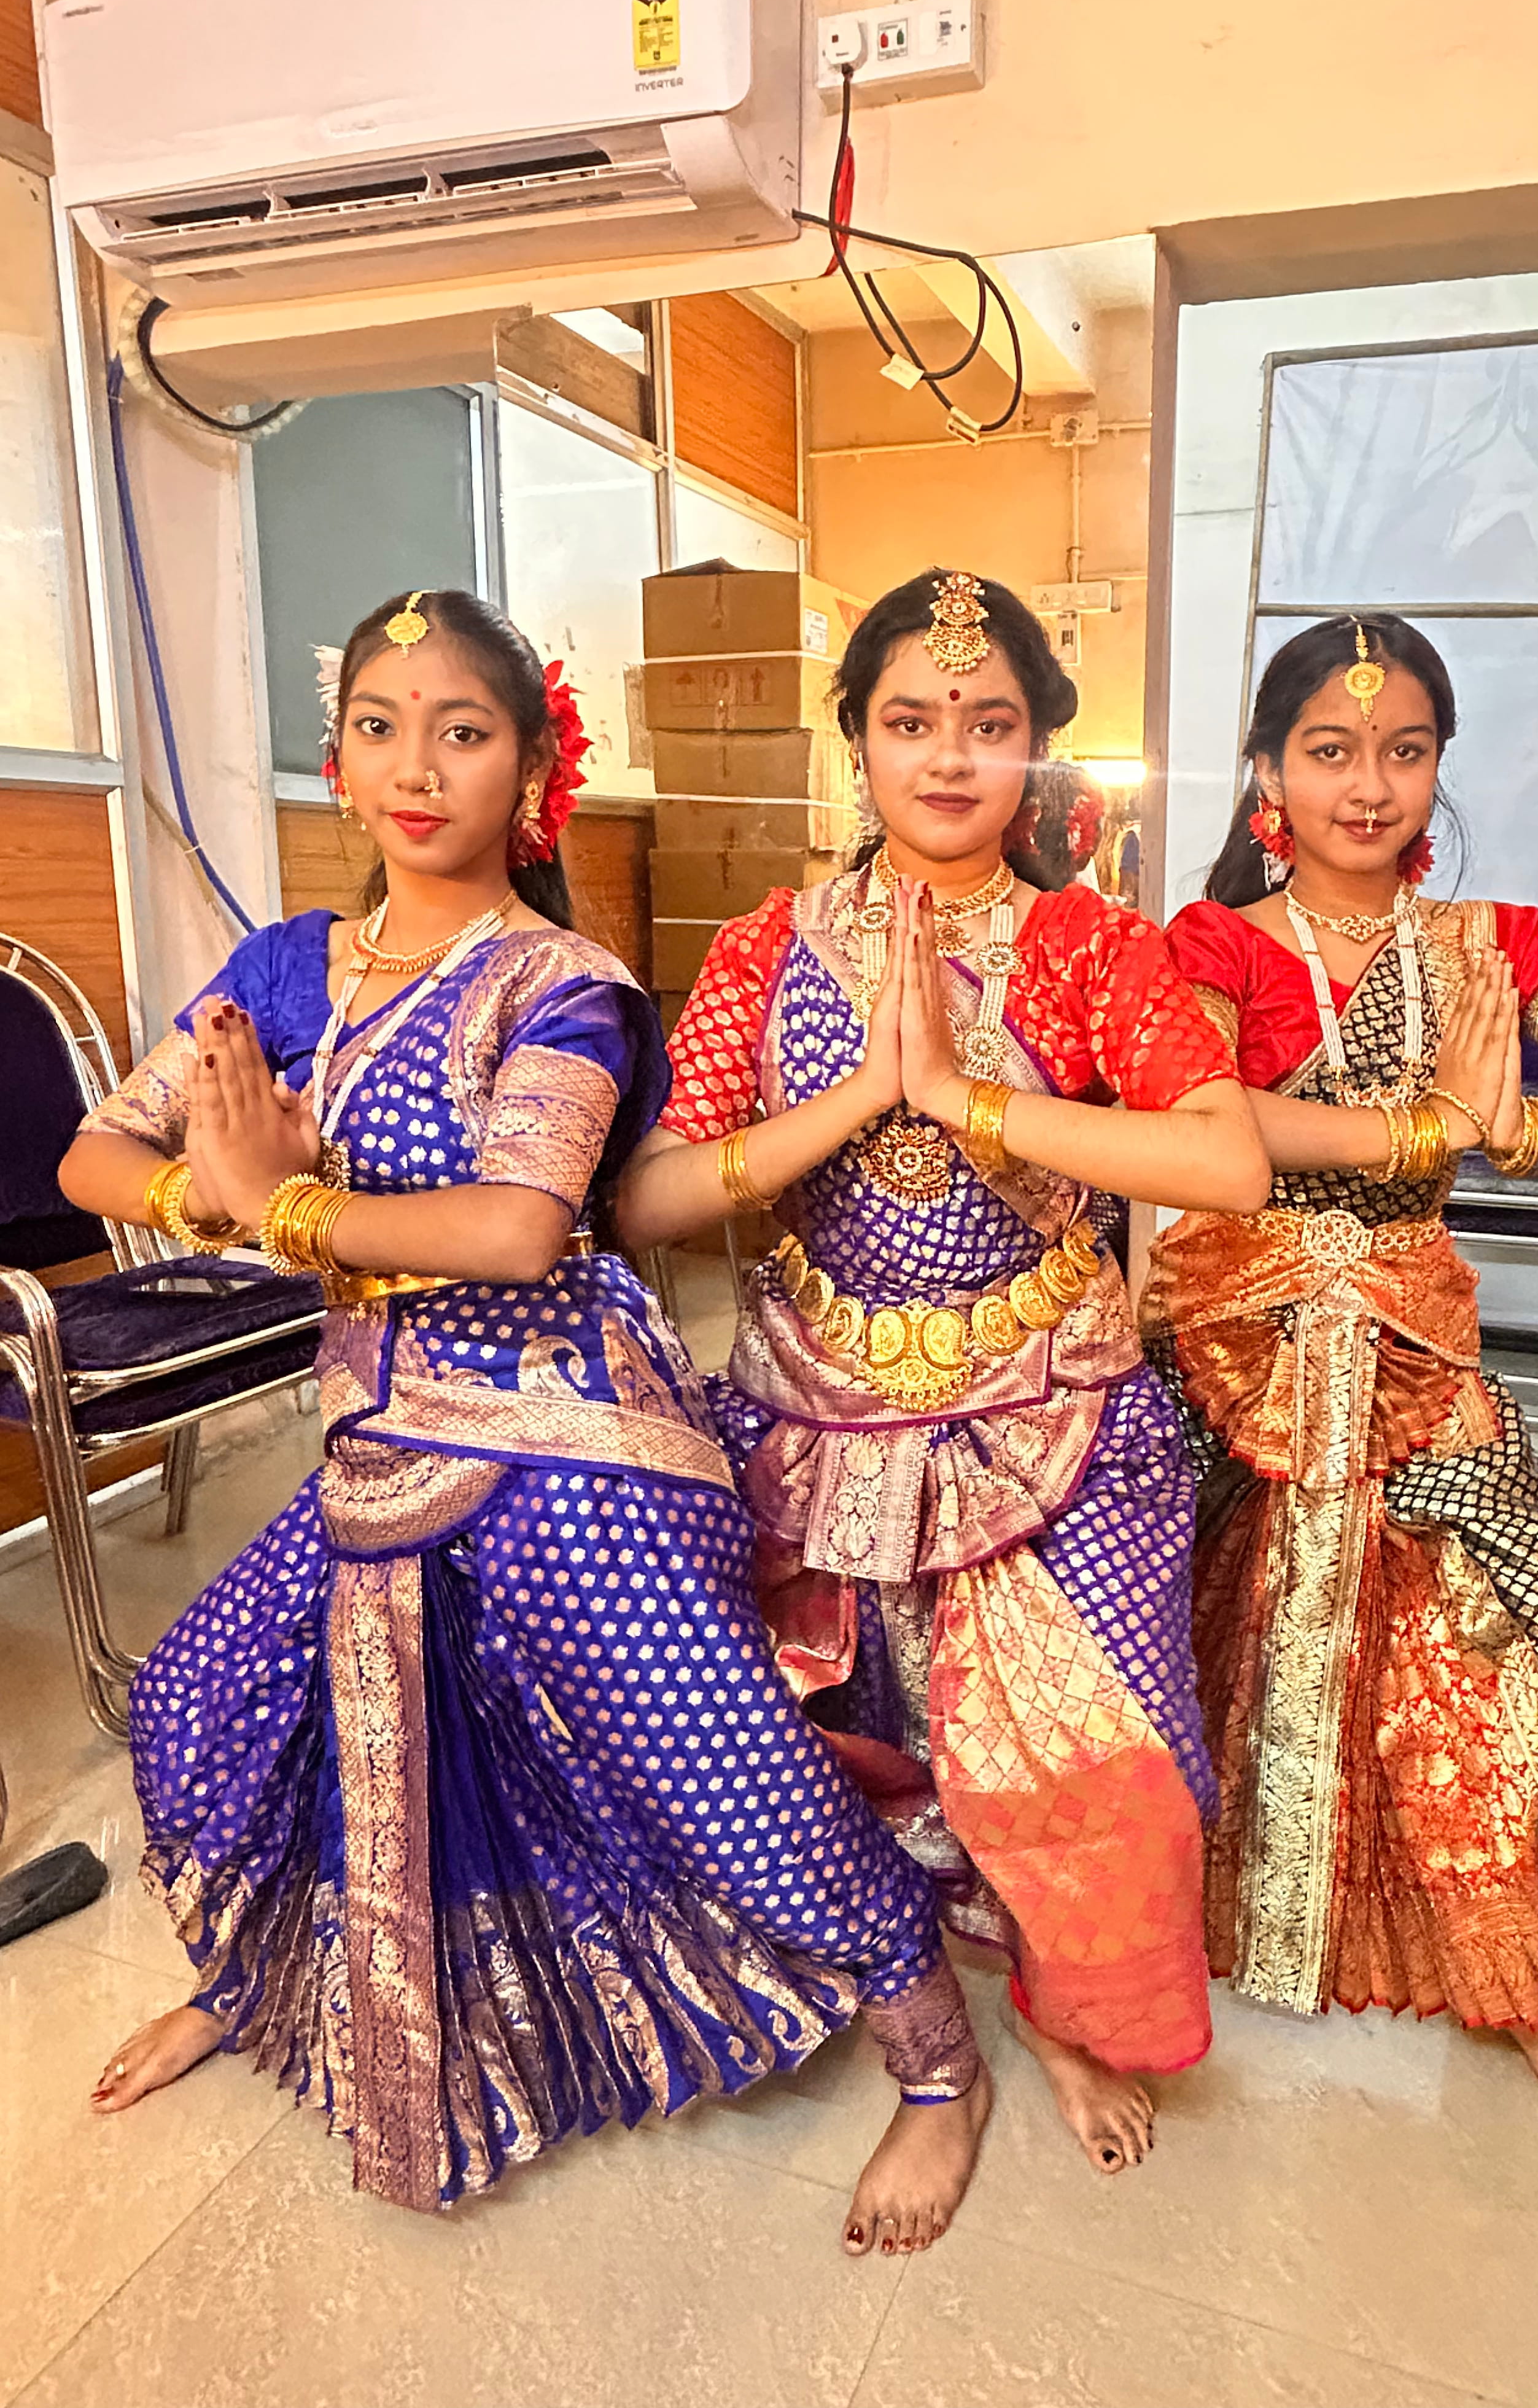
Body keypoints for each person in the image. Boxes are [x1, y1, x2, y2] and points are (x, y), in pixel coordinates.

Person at [60, 588, 987, 2249]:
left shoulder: (565, 982)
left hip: (576, 1442)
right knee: (209, 1708)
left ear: (533, 768)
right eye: (377, 726)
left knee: (722, 1770)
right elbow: (93, 1162)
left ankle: (934, 2055)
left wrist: (277, 1206)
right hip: (382, 1434)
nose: (417, 765)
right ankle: (266, 1978)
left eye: (464, 731)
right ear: (336, 762)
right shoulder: (284, 969)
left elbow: (514, 1229)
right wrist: (223, 1190)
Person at [612, 568, 1272, 2178]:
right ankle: (909, 2003)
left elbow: (1228, 1161)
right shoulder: (768, 946)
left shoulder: (1089, 945)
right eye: (912, 721)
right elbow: (647, 1195)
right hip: (817, 1405)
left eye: (991, 724)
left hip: (1054, 1402)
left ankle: (1060, 2003)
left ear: (1038, 750)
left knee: (1123, 1762)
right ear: (859, 745)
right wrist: (858, 1103)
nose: (951, 757)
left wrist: (969, 1099)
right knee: (854, 1730)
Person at [1139, 613, 1538, 2132]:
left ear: (1440, 769)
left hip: (1415, 1360)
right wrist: (1436, 1129)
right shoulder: (1213, 947)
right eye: (1331, 751)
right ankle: (1129, 1959)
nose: (1370, 785)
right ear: (1269, 771)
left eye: (1405, 752)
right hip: (1226, 1350)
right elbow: (1206, 1129)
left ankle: (1499, 1959)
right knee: (1120, 1659)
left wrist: (1519, 1125)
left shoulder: (1493, 943)